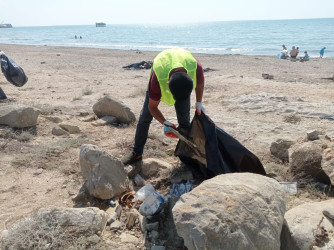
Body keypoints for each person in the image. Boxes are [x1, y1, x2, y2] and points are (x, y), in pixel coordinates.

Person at [121, 48, 205, 166]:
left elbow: (200, 82)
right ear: (167, 85)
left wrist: (199, 102)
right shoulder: (157, 78)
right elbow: (152, 107)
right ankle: (136, 153)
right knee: (145, 118)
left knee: (184, 122)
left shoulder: (195, 66)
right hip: (161, 74)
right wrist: (164, 122)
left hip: (181, 81)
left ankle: (186, 156)